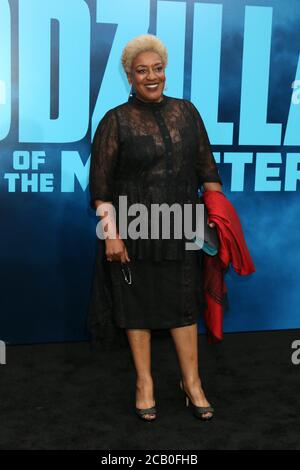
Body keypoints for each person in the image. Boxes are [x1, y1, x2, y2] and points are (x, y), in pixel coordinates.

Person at [88, 34, 223, 422]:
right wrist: (112, 233)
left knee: (184, 305)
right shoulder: (115, 120)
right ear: (129, 76)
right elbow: (101, 188)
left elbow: (207, 171)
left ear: (165, 71)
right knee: (137, 308)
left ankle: (192, 382)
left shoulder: (187, 112)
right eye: (142, 70)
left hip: (183, 226)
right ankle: (144, 383)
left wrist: (217, 218)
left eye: (157, 69)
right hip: (132, 228)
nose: (152, 76)